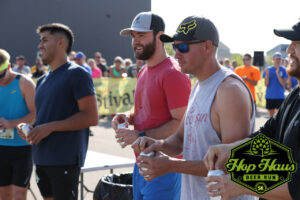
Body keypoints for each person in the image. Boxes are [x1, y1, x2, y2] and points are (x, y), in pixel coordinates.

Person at [131, 16, 256, 200]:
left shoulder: (229, 90)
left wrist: (172, 165)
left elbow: (231, 163)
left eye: (183, 47)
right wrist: (156, 144)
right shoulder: (198, 86)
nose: (176, 54)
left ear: (206, 47)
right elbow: (180, 139)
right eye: (174, 47)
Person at [204, 20, 300, 200]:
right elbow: (266, 135)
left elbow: (298, 185)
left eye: (296, 44)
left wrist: (240, 185)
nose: (289, 51)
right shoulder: (295, 95)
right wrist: (230, 149)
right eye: (290, 44)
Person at [112, 11, 191, 200]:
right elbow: (143, 108)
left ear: (159, 36)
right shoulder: (144, 70)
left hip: (165, 167)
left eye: (141, 35)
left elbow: (181, 124)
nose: (135, 41)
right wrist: (127, 115)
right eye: (133, 36)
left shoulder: (173, 73)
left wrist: (139, 135)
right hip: (141, 163)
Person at [18, 23, 98, 200]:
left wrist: (49, 127)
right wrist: (31, 128)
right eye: (40, 41)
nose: (40, 46)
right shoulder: (42, 79)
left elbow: (91, 117)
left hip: (64, 159)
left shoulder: (77, 74)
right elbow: (44, 117)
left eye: (45, 40)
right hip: (41, 158)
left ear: (61, 43)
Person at [0, 49, 36, 200]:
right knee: (3, 195)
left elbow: (36, 114)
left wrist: (12, 123)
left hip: (22, 148)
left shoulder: (24, 83)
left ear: (9, 67)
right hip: (1, 148)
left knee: (19, 195)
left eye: (0, 76)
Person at [263, 52, 288, 117]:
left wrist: (277, 73)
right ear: (273, 60)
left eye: (279, 59)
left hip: (280, 96)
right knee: (272, 117)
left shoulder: (284, 70)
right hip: (270, 96)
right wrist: (267, 76)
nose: (278, 61)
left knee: (280, 117)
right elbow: (266, 84)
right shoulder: (268, 69)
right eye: (276, 59)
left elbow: (283, 84)